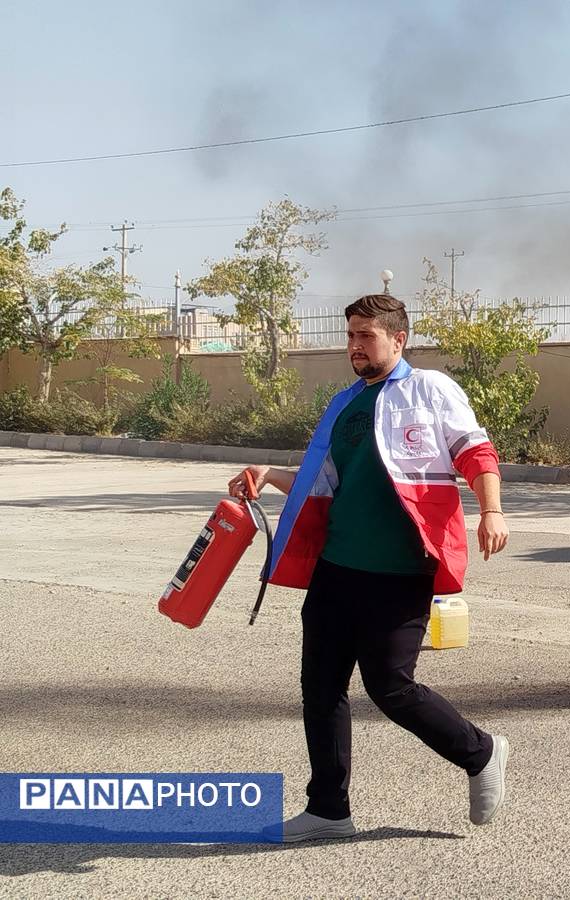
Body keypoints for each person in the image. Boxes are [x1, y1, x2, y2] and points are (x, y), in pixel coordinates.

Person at [227, 293, 510, 843]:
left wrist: (491, 510)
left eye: (366, 335)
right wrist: (269, 473)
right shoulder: (343, 404)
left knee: (390, 685)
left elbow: (476, 452)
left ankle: (481, 752)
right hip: (337, 567)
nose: (355, 346)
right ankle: (329, 809)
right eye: (350, 335)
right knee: (321, 686)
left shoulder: (430, 389)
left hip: (401, 567)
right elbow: (323, 478)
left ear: (397, 339)